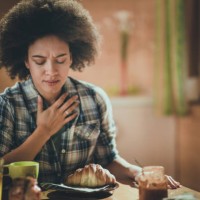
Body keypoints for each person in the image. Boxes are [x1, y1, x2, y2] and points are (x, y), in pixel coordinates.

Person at [0, 0, 180, 189]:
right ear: (26, 62)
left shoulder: (95, 99)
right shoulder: (8, 104)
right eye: (39, 61)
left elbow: (108, 160)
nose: (51, 70)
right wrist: (43, 132)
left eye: (60, 59)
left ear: (72, 57)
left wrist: (135, 171)